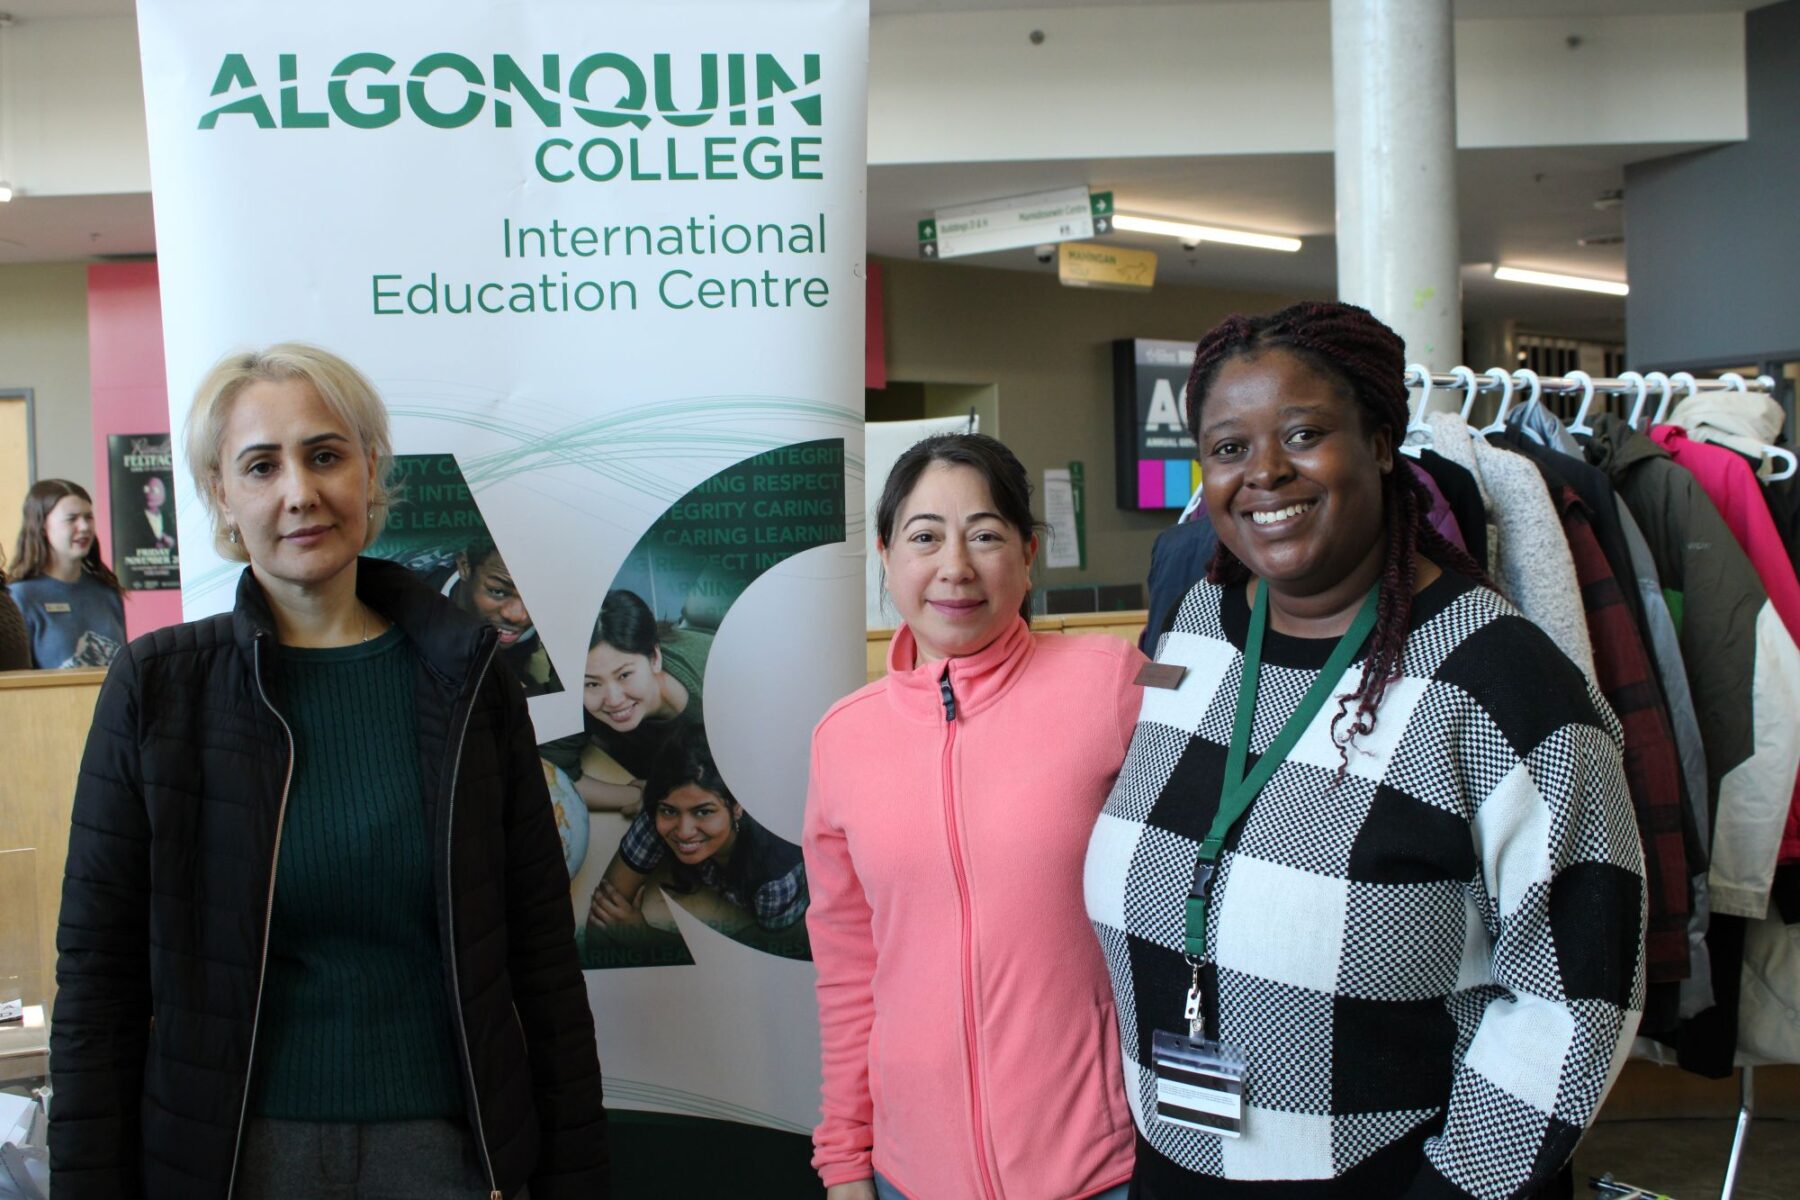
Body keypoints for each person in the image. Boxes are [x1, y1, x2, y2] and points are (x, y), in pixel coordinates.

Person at [1085, 302, 1645, 1199]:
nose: (1264, 472)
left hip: (1387, 1179)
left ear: (1382, 443)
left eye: (1304, 434)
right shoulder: (1199, 628)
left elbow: (1574, 1000)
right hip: (1174, 1166)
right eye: (1229, 448)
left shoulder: (1504, 682)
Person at [49, 343, 609, 1199]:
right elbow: (99, 983)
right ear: (221, 495)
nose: (299, 491)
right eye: (261, 465)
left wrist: (577, 1178)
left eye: (325, 455)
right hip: (238, 1159)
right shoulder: (158, 690)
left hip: (446, 1152)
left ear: (370, 471)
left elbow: (541, 960)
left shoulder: (466, 677)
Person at [804, 433, 1143, 1200]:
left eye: (985, 535)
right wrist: (845, 1160)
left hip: (1099, 1170)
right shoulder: (842, 740)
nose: (955, 566)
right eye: (925, 537)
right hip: (908, 1176)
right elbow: (849, 973)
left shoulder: (1113, 685)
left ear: (1027, 554)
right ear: (887, 558)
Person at [587, 724, 807, 939]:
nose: (683, 831)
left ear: (738, 806)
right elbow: (607, 909)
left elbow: (760, 957)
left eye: (703, 812)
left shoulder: (775, 878)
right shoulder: (666, 806)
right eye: (669, 811)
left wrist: (647, 937)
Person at [541, 588, 713, 817]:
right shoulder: (579, 677)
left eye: (624, 675)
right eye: (592, 684)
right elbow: (549, 771)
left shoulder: (711, 708)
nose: (613, 700)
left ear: (655, 658)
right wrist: (635, 795)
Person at [8, 479, 127, 668]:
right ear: (42, 527)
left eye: (88, 517)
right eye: (71, 519)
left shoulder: (107, 592)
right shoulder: (19, 597)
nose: (84, 527)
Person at [438, 534, 562, 697]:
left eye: (533, 596)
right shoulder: (417, 602)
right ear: (464, 567)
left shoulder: (556, 613)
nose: (519, 616)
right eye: (498, 592)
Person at [141, 473, 177, 551]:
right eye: (147, 489)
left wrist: (172, 543)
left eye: (154, 491)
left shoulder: (167, 517)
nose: (149, 494)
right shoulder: (137, 519)